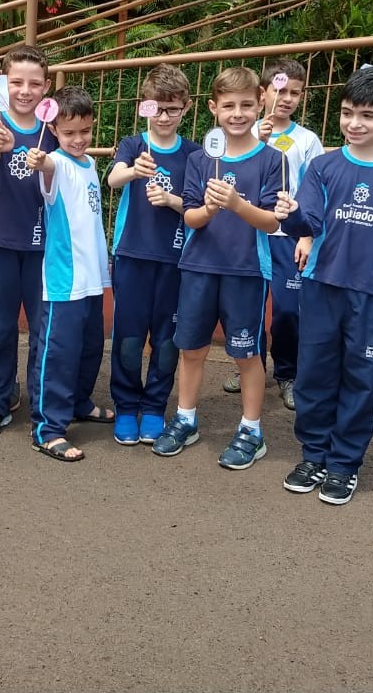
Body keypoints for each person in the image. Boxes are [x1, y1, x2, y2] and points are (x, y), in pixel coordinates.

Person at [276, 66, 373, 505]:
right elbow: (309, 223)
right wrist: (291, 215)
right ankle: (314, 455)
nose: (354, 123)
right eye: (346, 113)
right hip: (321, 286)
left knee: (362, 380)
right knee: (313, 376)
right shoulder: (323, 166)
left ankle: (344, 463)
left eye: (368, 115)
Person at [152, 67, 284, 468]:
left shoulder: (272, 159)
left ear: (260, 103)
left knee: (246, 354)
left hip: (247, 271)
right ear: (213, 108)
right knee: (191, 348)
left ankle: (251, 430)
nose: (237, 113)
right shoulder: (199, 159)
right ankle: (185, 418)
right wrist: (209, 208)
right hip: (198, 267)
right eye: (228, 106)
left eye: (246, 104)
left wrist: (236, 204)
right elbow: (191, 217)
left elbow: (272, 222)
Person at [0, 46, 72, 438]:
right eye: (16, 82)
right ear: (4, 83)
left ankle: (41, 401)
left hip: (43, 244)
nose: (25, 91)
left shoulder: (54, 128)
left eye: (34, 83)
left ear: (46, 86)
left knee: (42, 330)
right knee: (0, 329)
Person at [106, 64, 197, 445]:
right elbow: (112, 179)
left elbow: (198, 207)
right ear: (144, 106)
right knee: (128, 337)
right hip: (131, 255)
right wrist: (133, 171)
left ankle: (156, 406)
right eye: (156, 108)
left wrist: (171, 200)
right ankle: (126, 406)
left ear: (186, 108)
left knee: (166, 340)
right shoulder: (133, 145)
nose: (163, 117)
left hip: (175, 260)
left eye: (172, 109)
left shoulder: (193, 154)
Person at [24, 86, 112, 462]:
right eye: (69, 132)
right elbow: (45, 167)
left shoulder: (89, 163)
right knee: (58, 354)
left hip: (93, 276)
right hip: (63, 279)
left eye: (85, 131)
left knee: (90, 347)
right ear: (54, 130)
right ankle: (48, 429)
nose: (78, 139)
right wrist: (40, 160)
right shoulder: (55, 164)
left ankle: (79, 402)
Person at [250, 57, 325, 410]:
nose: (287, 99)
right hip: (250, 232)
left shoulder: (307, 139)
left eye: (295, 92)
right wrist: (257, 141)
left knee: (288, 311)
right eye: (280, 91)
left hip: (288, 237)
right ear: (263, 93)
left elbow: (315, 190)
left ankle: (287, 373)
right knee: (247, 307)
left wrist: (307, 235)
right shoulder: (244, 131)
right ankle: (248, 365)